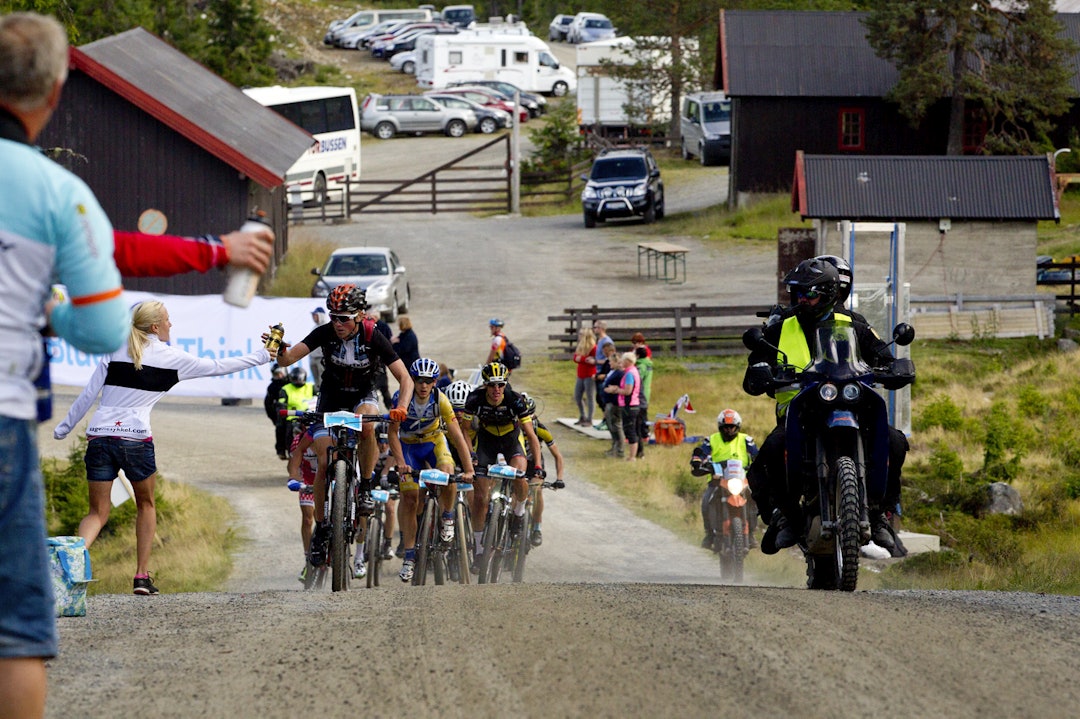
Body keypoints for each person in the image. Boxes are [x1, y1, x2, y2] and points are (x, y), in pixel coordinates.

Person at [0, 13, 129, 715]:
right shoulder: (59, 192)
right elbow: (106, 326)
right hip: (2, 419)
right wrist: (49, 312)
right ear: (53, 92)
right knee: (16, 634)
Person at [53, 300, 274, 594]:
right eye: (168, 320)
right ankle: (141, 576)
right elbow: (219, 367)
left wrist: (63, 428)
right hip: (136, 439)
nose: (172, 325)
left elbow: (87, 395)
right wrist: (262, 356)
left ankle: (69, 566)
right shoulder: (172, 358)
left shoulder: (114, 350)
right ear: (155, 327)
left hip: (99, 438)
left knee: (97, 513)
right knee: (146, 504)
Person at [743, 257, 909, 554]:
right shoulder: (781, 328)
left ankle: (881, 515)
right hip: (800, 413)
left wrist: (896, 367)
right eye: (799, 294)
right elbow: (754, 367)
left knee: (895, 441)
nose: (803, 300)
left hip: (850, 407)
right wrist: (761, 374)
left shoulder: (854, 324)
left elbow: (880, 355)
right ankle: (785, 517)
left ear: (831, 292)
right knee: (770, 449)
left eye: (811, 293)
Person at [274, 284, 413, 569]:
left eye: (344, 317)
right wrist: (278, 348)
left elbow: (406, 379)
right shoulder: (325, 332)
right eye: (333, 316)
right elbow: (288, 358)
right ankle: (322, 529)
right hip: (331, 396)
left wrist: (402, 407)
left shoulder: (374, 335)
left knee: (367, 427)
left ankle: (363, 486)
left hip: (363, 393)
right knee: (325, 461)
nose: (337, 323)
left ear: (360, 315)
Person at [386, 357, 475, 582]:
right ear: (412, 381)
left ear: (435, 382)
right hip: (408, 447)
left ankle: (447, 517)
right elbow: (392, 433)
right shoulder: (400, 398)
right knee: (410, 498)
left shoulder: (440, 400)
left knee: (448, 473)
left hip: (433, 442)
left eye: (428, 381)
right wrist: (399, 462)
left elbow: (457, 435)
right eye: (419, 381)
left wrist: (468, 469)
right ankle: (409, 556)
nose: (423, 386)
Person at [461, 362, 542, 567]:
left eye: (501, 384)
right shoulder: (474, 399)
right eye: (492, 385)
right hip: (486, 443)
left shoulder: (515, 400)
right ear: (485, 385)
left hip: (511, 441)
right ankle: (479, 550)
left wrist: (538, 467)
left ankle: (519, 512)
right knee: (480, 498)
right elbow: (465, 431)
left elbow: (531, 436)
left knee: (520, 476)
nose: (497, 390)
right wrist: (470, 454)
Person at [689, 409, 759, 549]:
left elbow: (757, 454)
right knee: (706, 502)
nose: (729, 431)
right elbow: (701, 452)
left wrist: (759, 464)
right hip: (717, 480)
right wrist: (697, 461)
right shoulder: (711, 439)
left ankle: (751, 534)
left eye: (732, 427)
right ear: (720, 427)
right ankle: (709, 534)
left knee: (754, 501)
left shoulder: (746, 440)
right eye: (725, 428)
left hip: (741, 479)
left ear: (737, 427)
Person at [519, 392, 566, 548]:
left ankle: (537, 527)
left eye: (531, 415)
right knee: (514, 492)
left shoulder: (540, 429)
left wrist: (559, 478)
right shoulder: (511, 427)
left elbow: (558, 456)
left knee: (537, 491)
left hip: (534, 463)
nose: (527, 420)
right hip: (517, 461)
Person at [285, 417, 320, 581]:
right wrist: (293, 478)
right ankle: (308, 560)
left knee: (326, 518)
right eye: (307, 425)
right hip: (307, 481)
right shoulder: (298, 441)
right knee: (307, 520)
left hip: (325, 481)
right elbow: (292, 464)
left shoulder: (326, 438)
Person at [605, 351, 642, 461]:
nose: (622, 362)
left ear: (628, 361)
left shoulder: (630, 373)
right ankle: (632, 455)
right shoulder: (632, 372)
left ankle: (632, 456)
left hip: (629, 405)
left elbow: (627, 391)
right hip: (631, 404)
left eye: (624, 360)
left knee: (630, 431)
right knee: (630, 430)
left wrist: (615, 390)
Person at [275, 366, 315, 460]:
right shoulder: (286, 388)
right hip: (292, 418)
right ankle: (288, 453)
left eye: (299, 379)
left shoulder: (311, 386)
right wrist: (282, 409)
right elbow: (281, 403)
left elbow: (319, 399)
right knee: (283, 430)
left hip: (310, 416)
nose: (297, 381)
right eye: (295, 379)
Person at [596, 342, 624, 454]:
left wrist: (613, 389)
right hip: (608, 402)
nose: (609, 363)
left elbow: (620, 386)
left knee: (616, 425)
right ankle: (614, 446)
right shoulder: (612, 372)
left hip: (615, 402)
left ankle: (620, 449)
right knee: (610, 424)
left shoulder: (619, 373)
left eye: (611, 362)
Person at [572, 327, 597, 426]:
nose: (579, 336)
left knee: (590, 396)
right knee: (577, 396)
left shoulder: (593, 347)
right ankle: (583, 415)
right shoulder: (580, 346)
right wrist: (583, 359)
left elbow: (592, 361)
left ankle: (589, 419)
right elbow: (575, 357)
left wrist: (581, 359)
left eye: (581, 334)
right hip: (581, 374)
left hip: (589, 374)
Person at [634, 345, 654, 456]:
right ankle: (645, 432)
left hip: (641, 393)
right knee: (644, 413)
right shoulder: (648, 363)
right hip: (647, 389)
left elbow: (638, 379)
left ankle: (644, 433)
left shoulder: (641, 366)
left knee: (641, 416)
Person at [308, 307, 328, 391]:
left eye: (315, 315)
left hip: (321, 358)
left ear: (321, 315)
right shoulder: (314, 328)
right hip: (313, 357)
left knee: (322, 379)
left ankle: (322, 394)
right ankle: (317, 394)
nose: (313, 317)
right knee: (316, 380)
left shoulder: (326, 327)